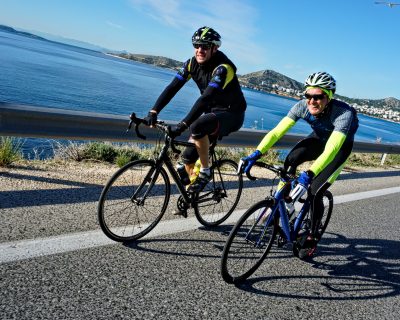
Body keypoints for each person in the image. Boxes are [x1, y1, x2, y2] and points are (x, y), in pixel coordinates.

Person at [241, 71, 359, 257]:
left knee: (314, 191)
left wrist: (310, 174)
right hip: (318, 140)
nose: (312, 101)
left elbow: (331, 150)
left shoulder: (343, 113)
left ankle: (312, 235)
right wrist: (256, 153)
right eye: (308, 95)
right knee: (290, 160)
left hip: (339, 148)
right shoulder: (301, 106)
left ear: (328, 97)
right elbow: (276, 132)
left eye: (318, 96)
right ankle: (283, 203)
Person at [144, 26, 247, 193]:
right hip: (211, 112)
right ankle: (191, 194)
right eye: (196, 45)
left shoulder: (223, 68)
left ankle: (205, 172)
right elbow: (173, 87)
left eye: (205, 46)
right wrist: (154, 111)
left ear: (215, 48)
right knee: (185, 161)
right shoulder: (191, 63)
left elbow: (205, 98)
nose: (200, 50)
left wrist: (184, 124)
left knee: (197, 126)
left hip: (231, 114)